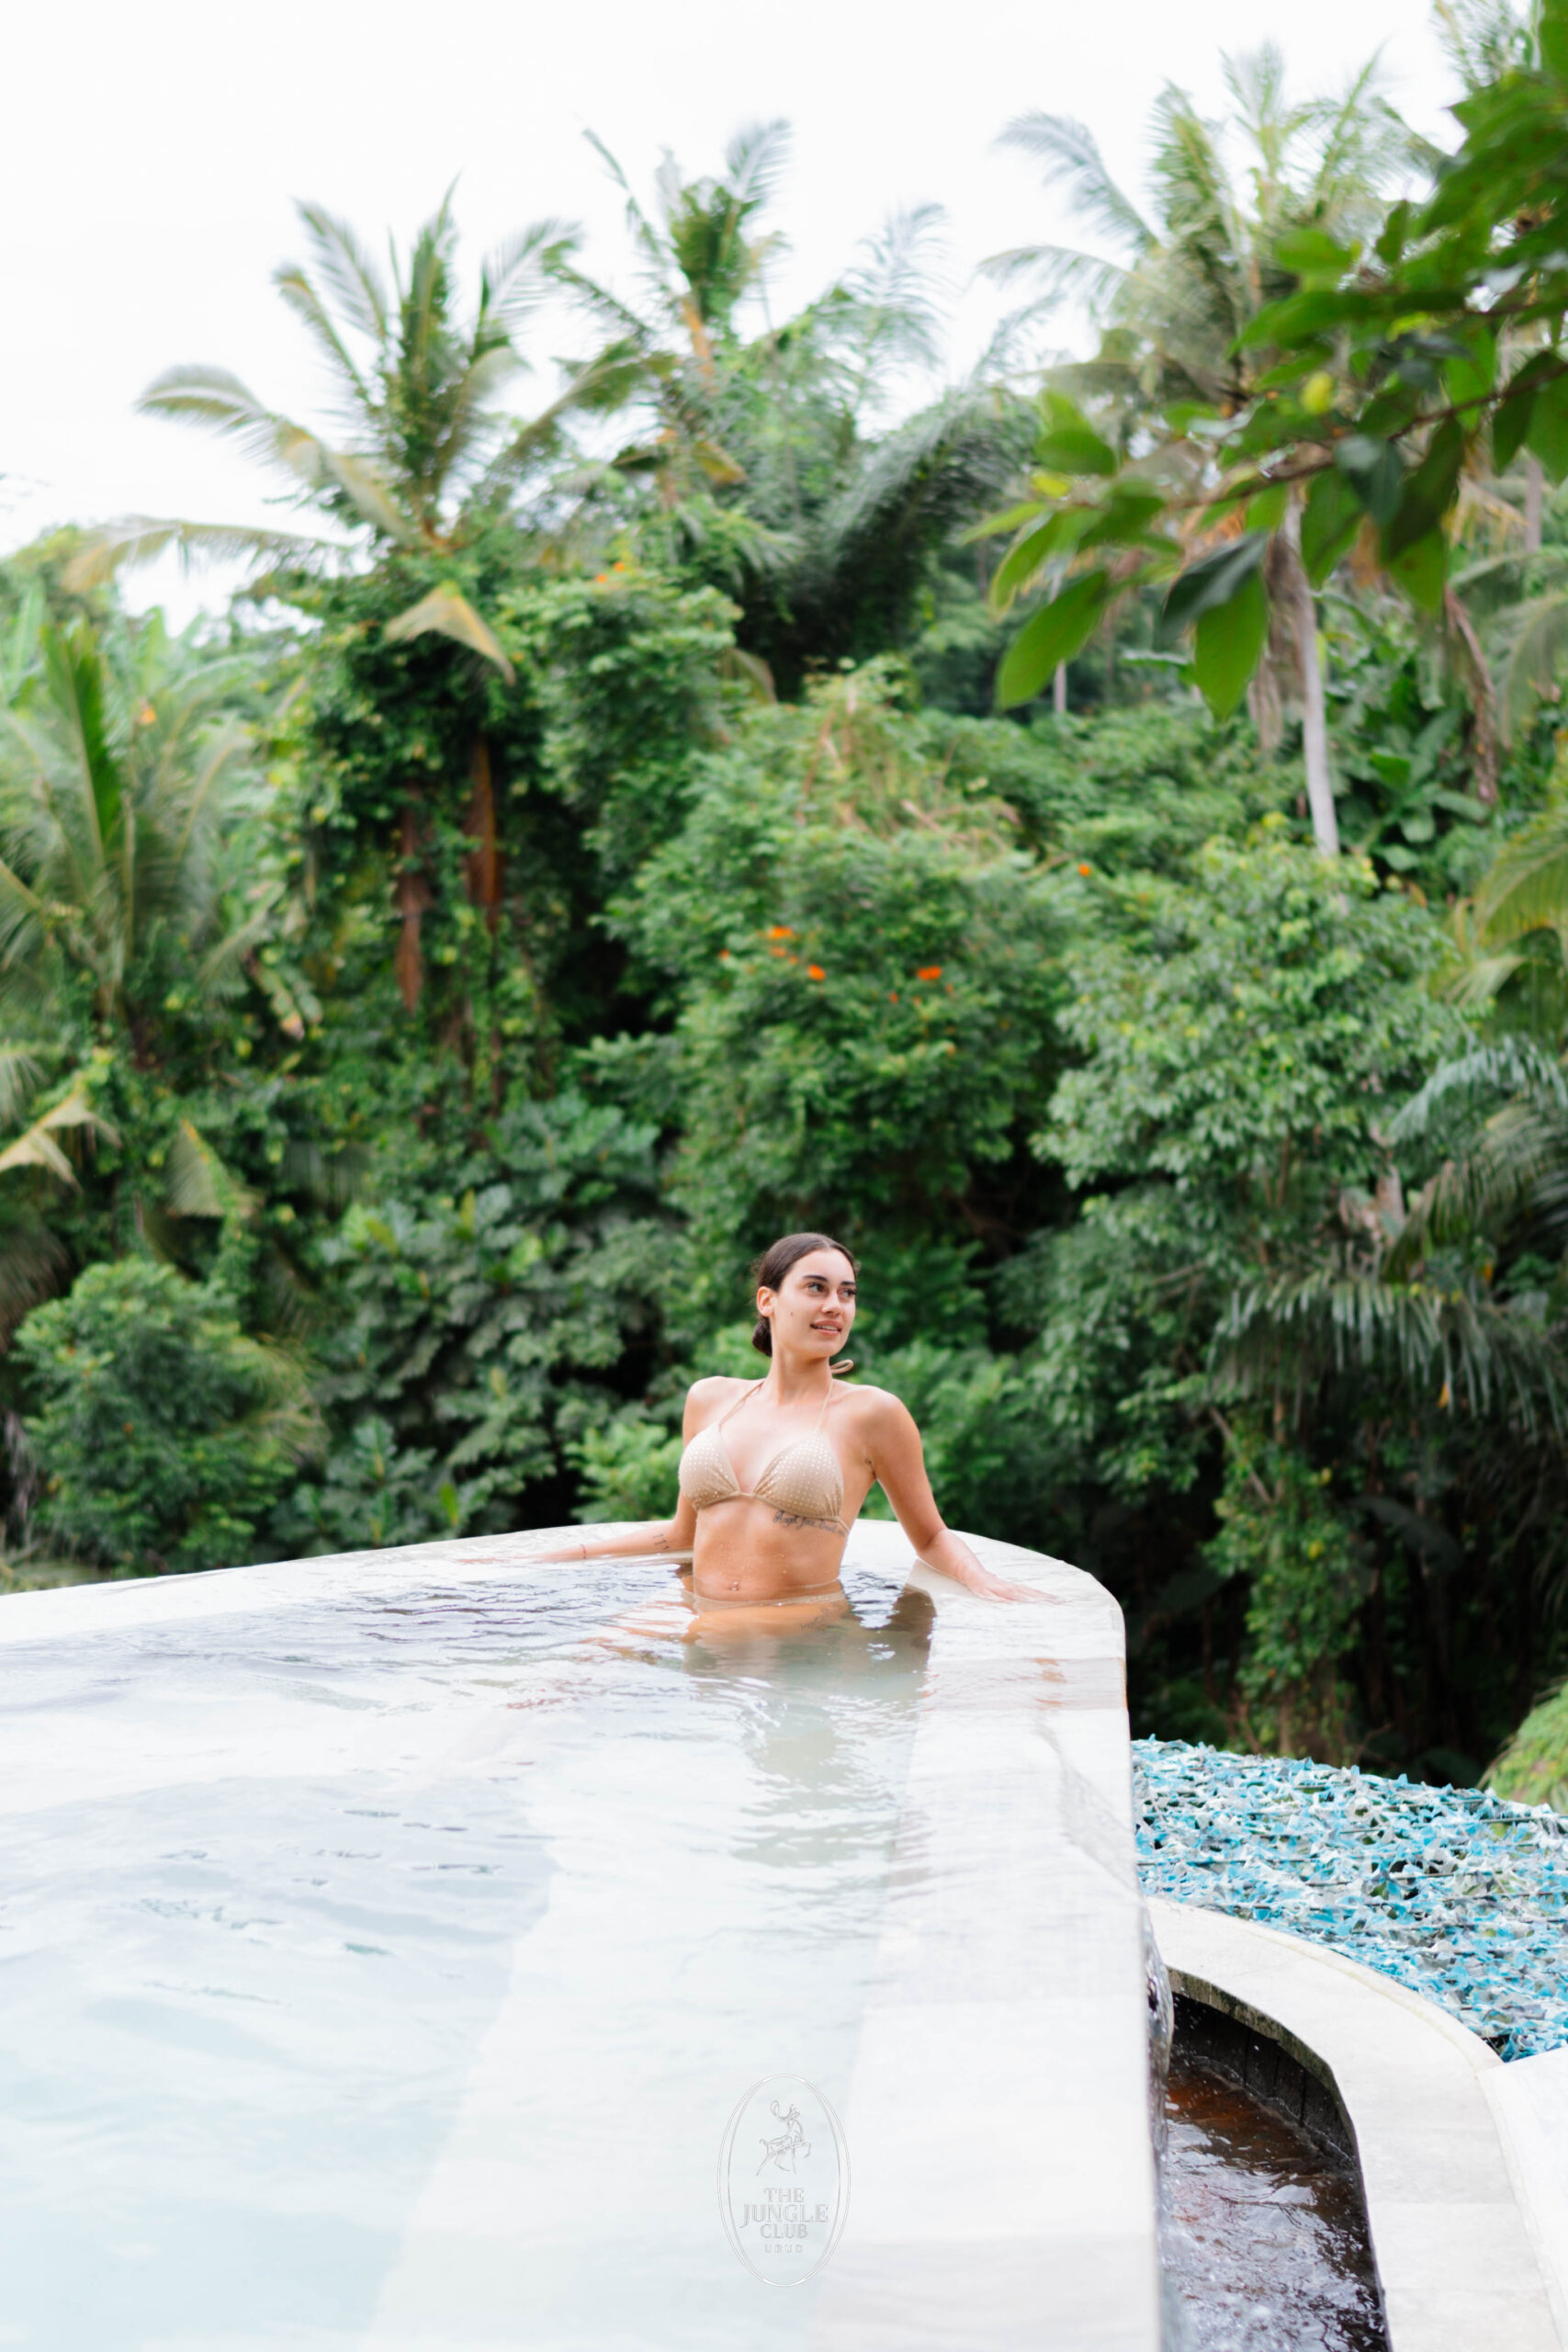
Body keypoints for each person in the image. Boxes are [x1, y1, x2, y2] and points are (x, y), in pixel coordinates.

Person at [517, 1232, 1045, 1627]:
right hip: (699, 1608)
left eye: (847, 1292)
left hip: (802, 1624)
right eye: (816, 1288)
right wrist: (559, 1558)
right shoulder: (710, 1398)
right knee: (561, 1680)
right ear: (767, 1301)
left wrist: (985, 1582)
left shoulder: (873, 1414)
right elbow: (682, 1536)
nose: (835, 1306)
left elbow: (929, 1535)